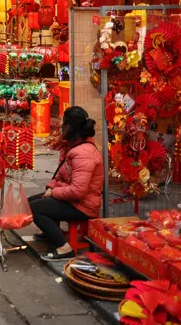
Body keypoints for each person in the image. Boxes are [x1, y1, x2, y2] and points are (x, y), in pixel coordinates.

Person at [29, 106, 103, 261]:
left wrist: (53, 192)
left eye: (63, 124)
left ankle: (64, 248)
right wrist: (51, 186)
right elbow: (62, 176)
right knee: (30, 202)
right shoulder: (71, 146)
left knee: (35, 208)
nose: (60, 127)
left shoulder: (84, 153)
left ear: (68, 127)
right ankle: (51, 231)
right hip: (73, 199)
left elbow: (78, 191)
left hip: (83, 205)